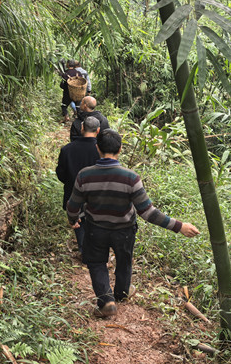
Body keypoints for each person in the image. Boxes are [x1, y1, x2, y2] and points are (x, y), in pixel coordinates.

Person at [67, 129, 200, 318]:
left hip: (95, 230)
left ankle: (106, 301)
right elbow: (148, 212)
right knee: (124, 260)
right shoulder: (131, 177)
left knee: (96, 263)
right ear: (120, 149)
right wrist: (179, 226)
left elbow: (73, 205)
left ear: (97, 148)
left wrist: (73, 219)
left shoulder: (84, 175)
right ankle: (121, 293)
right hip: (124, 231)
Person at [55, 116, 101, 255]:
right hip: (97, 195)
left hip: (73, 192)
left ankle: (84, 250)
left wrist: (70, 182)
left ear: (82, 128)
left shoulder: (67, 149)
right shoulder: (101, 150)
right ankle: (96, 251)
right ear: (98, 130)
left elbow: (60, 173)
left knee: (78, 222)